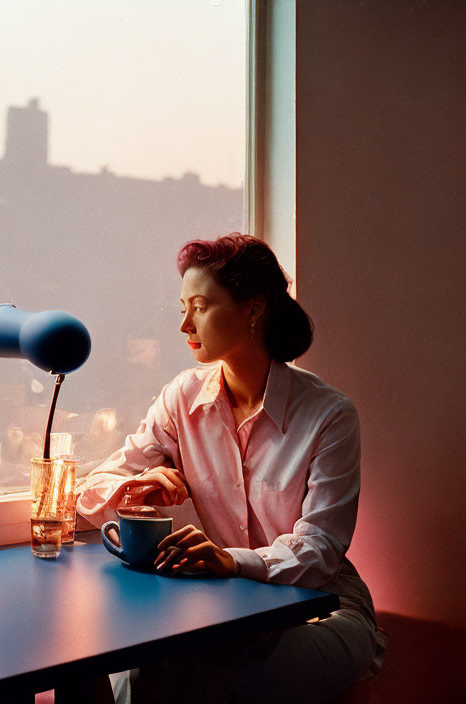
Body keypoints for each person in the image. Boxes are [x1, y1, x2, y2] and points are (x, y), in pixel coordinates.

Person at [76, 234, 386, 704]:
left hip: (321, 605)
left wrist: (230, 561)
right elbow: (91, 491)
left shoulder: (328, 415)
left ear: (253, 309)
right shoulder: (183, 397)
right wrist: (137, 488)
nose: (184, 324)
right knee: (134, 667)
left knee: (217, 677)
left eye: (199, 306)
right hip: (224, 607)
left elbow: (321, 549)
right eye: (183, 306)